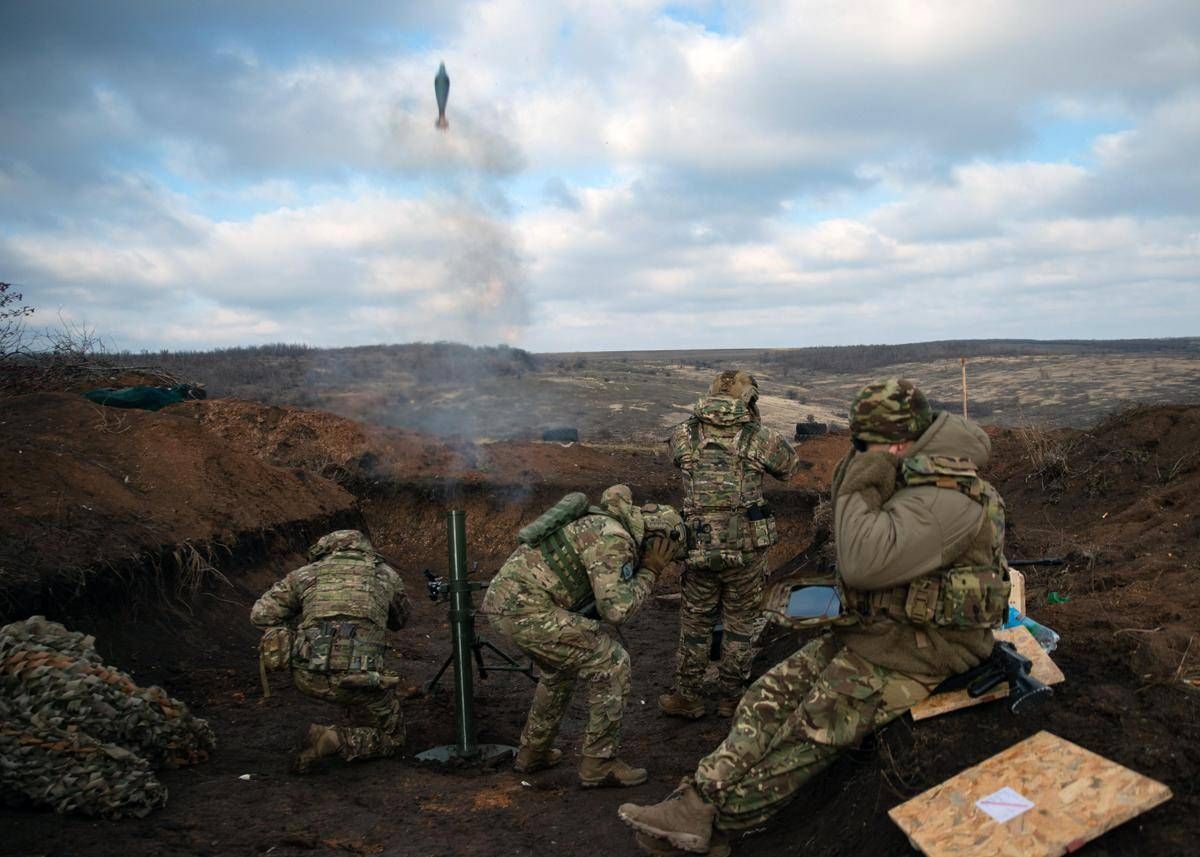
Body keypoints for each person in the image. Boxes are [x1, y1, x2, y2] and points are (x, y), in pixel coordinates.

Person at [619, 378, 1011, 855]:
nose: (867, 450)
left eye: (872, 441)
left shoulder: (950, 495)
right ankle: (697, 799)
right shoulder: (915, 474)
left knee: (808, 730)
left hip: (926, 649)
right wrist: (868, 460)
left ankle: (717, 824)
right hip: (883, 633)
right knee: (766, 696)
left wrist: (869, 464)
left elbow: (861, 563)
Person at [481, 485, 685, 787]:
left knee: (559, 669)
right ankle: (599, 763)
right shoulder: (614, 538)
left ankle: (532, 753)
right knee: (612, 662)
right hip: (526, 610)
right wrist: (651, 571)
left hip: (508, 603)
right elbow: (617, 610)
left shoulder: (604, 521)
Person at [659, 370, 800, 720]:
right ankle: (731, 697)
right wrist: (755, 424)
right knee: (741, 625)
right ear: (749, 399)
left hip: (698, 547)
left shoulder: (683, 434)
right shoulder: (760, 438)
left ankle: (687, 695)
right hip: (745, 552)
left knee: (695, 623)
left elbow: (675, 457)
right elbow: (789, 468)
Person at [250, 529, 410, 773]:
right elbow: (400, 621)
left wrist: (294, 629)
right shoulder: (387, 576)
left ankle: (330, 731)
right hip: (359, 681)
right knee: (394, 738)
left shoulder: (305, 574)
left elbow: (260, 615)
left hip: (307, 676)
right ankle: (337, 740)